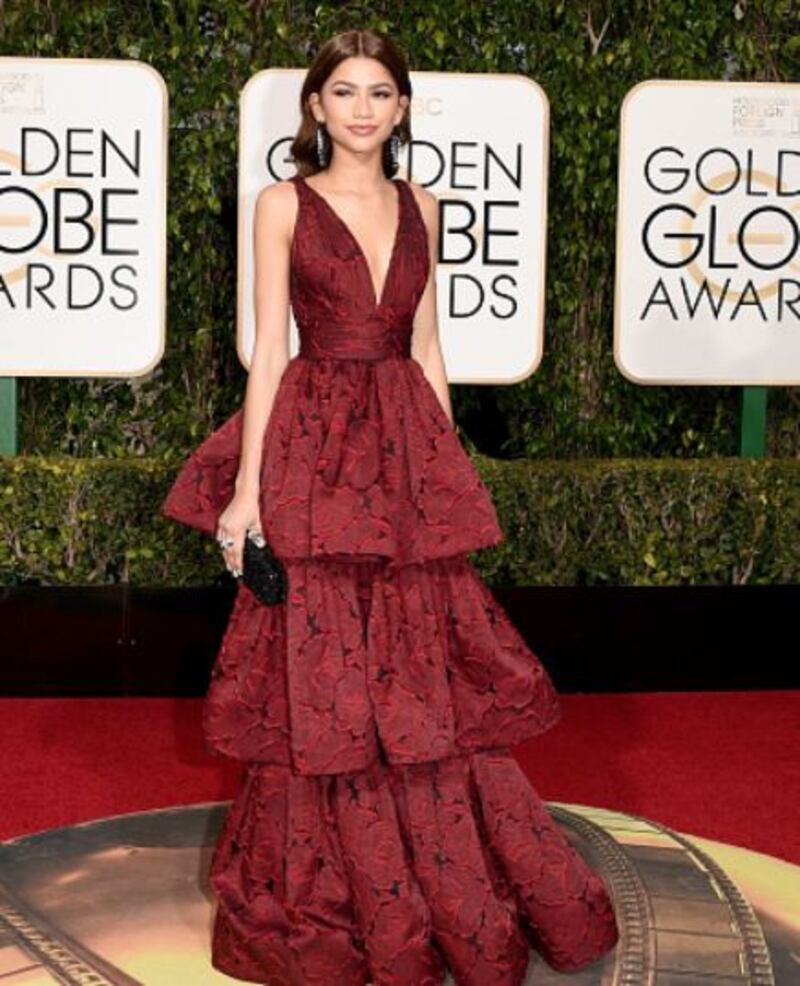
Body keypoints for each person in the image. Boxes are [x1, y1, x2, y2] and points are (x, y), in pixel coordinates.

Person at [161, 27, 620, 986]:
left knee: (420, 673)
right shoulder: (282, 204)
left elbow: (427, 345)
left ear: (401, 106)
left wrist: (443, 470)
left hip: (404, 446)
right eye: (344, 92)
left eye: (379, 93)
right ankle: (337, 906)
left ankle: (443, 897)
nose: (362, 109)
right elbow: (271, 352)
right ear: (316, 107)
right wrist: (247, 491)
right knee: (324, 678)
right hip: (316, 451)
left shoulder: (425, 205)